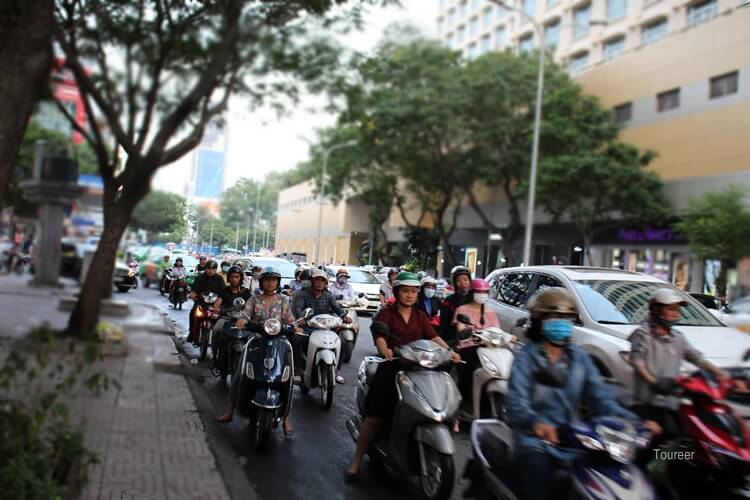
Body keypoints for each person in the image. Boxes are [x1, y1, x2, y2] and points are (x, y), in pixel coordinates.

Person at [506, 288, 661, 500]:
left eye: (566, 318)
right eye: (555, 317)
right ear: (539, 320)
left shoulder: (579, 358)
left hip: (575, 440)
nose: (562, 323)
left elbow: (601, 399)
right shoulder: (526, 358)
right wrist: (536, 423)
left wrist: (637, 422)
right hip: (534, 442)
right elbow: (515, 404)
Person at [345, 272, 461, 479]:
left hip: (420, 368)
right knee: (375, 418)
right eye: (405, 291)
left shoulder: (420, 316)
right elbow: (380, 336)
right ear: (397, 292)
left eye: (414, 291)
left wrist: (449, 351)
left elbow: (433, 336)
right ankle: (357, 460)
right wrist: (385, 350)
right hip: (393, 367)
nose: (409, 295)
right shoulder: (386, 314)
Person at [628, 288, 740, 457]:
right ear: (656, 309)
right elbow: (637, 363)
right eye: (670, 309)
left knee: (683, 439)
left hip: (671, 402)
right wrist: (654, 382)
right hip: (646, 404)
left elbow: (696, 358)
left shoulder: (677, 337)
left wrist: (721, 374)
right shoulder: (642, 335)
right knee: (647, 449)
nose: (675, 314)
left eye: (677, 309)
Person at [217, 267, 297, 436]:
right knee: (239, 373)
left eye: (273, 280)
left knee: (287, 376)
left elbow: (290, 320)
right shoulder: (254, 299)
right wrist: (241, 320)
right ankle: (230, 411)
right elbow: (245, 315)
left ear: (278, 282)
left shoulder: (284, 300)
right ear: (262, 282)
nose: (270, 283)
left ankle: (287, 417)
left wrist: (294, 327)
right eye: (267, 280)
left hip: (279, 341)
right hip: (256, 340)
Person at [451, 278, 502, 423]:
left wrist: (508, 337)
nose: (482, 294)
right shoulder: (462, 310)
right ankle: (462, 405)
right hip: (468, 346)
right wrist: (468, 332)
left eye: (485, 292)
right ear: (472, 293)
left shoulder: (490, 311)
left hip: (488, 348)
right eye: (479, 292)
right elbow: (461, 331)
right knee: (467, 370)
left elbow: (497, 331)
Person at [293, 268, 352, 384]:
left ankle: (336, 371)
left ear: (326, 283)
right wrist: (301, 318)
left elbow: (336, 307)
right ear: (312, 281)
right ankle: (298, 370)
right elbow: (298, 308)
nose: (319, 283)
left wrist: (344, 316)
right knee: (297, 340)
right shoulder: (303, 294)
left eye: (322, 280)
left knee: (342, 342)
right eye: (317, 280)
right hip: (308, 327)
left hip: (325, 327)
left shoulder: (328, 295)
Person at [211, 265, 252, 373]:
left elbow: (251, 306)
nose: (234, 279)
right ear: (229, 278)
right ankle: (214, 356)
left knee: (253, 336)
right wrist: (219, 310)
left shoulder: (246, 292)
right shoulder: (224, 291)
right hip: (227, 318)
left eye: (237, 277)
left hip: (242, 320)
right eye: (232, 276)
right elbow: (216, 305)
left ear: (241, 278)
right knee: (216, 330)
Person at [189, 260, 225, 344]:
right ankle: (191, 333)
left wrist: (221, 300)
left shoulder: (219, 279)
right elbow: (193, 290)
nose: (210, 271)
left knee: (222, 317)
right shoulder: (199, 278)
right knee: (193, 313)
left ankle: (219, 340)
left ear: (216, 269)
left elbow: (224, 292)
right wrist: (193, 295)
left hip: (215, 304)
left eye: (213, 269)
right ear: (205, 269)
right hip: (201, 302)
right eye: (208, 268)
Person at [438, 265, 473, 346]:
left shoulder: (474, 300)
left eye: (465, 280)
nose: (463, 283)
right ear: (454, 283)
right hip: (454, 341)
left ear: (470, 281)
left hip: (474, 340)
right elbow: (444, 325)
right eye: (458, 281)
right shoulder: (449, 301)